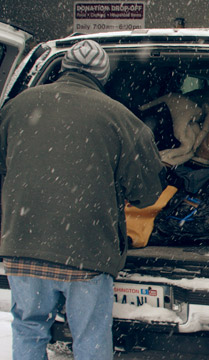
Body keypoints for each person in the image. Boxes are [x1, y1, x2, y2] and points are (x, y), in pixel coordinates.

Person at [0, 40, 166, 359]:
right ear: (102, 76)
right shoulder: (122, 120)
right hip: (86, 253)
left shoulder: (16, 107)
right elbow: (146, 195)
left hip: (23, 247)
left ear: (63, 68)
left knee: (28, 329)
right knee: (89, 338)